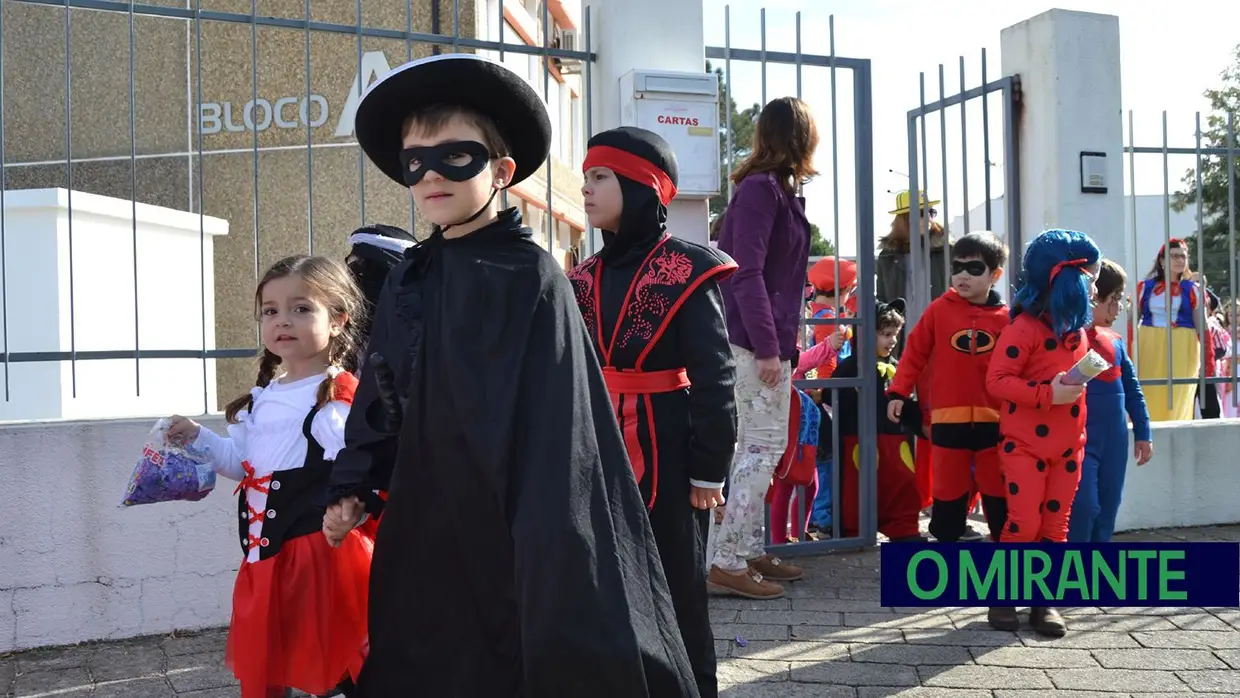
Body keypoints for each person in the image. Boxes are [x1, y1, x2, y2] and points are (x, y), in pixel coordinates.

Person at [318, 54, 700, 697]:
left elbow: (564, 426)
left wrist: (546, 536)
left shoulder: (533, 277)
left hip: (518, 521)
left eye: (454, 156)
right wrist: (357, 482)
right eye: (415, 161)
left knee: (520, 653)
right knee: (427, 647)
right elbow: (381, 389)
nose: (431, 174)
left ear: (500, 171)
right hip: (427, 510)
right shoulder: (410, 276)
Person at [569, 125, 738, 698]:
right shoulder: (582, 279)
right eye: (586, 175)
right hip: (596, 447)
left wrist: (709, 468)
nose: (585, 187)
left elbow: (716, 377)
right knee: (604, 583)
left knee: (676, 585)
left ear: (642, 186)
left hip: (668, 445)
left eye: (599, 176)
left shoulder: (687, 270)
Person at [166, 255, 371, 698]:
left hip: (318, 559)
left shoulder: (334, 399)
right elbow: (242, 465)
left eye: (301, 308)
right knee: (269, 662)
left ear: (337, 320)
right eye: (271, 311)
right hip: (264, 559)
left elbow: (359, 473)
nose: (283, 320)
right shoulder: (263, 398)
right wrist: (196, 437)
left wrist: (350, 506)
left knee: (335, 662)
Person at [709, 96, 819, 600]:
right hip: (756, 344)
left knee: (763, 448)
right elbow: (745, 272)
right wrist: (769, 347)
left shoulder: (778, 190)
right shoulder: (760, 190)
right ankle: (726, 560)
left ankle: (745, 548)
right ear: (801, 136)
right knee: (759, 448)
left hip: (768, 341)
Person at [986, 228, 1101, 637]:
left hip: (1069, 445)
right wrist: (1045, 394)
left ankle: (1044, 598)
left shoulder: (1077, 330)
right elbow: (997, 381)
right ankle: (1003, 594)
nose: (1091, 284)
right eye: (1087, 277)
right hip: (1025, 444)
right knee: (1023, 523)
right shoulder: (1023, 329)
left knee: (1056, 524)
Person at [886, 231, 1011, 543]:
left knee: (997, 490)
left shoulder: (1008, 318)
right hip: (946, 420)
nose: (962, 276)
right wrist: (899, 391)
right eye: (957, 268)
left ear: (995, 274)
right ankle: (945, 554)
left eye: (974, 269)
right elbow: (913, 352)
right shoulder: (938, 310)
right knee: (948, 489)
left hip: (995, 421)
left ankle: (1009, 555)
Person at [1067, 260, 1153, 543]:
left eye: (1120, 300)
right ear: (1092, 296)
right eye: (1113, 300)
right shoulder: (1068, 339)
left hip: (1114, 442)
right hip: (1080, 440)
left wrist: (1143, 432)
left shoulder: (1115, 341)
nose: (1118, 309)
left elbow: (1132, 389)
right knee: (1084, 506)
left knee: (1108, 507)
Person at [834, 298, 926, 541]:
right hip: (858, 438)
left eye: (895, 334)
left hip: (895, 439)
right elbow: (836, 401)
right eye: (885, 334)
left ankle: (903, 527)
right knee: (858, 486)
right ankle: (854, 530)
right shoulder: (851, 367)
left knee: (902, 482)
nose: (892, 340)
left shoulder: (897, 366)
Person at [1132, 238, 1210, 422]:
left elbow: (1203, 328)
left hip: (1183, 346)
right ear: (1162, 260)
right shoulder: (1145, 287)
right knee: (1148, 391)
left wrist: (1208, 361)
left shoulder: (1194, 290)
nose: (1179, 260)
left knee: (1177, 395)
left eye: (1183, 256)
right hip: (1149, 343)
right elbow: (1130, 322)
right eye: (1174, 256)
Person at [343, 224, 417, 371]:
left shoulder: (425, 330)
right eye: (354, 270)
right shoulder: (342, 333)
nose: (357, 281)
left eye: (370, 270)